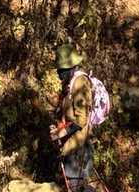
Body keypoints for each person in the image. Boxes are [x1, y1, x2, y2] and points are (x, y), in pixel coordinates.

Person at [49, 45, 95, 192]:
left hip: (78, 148)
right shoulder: (70, 83)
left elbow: (81, 120)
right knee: (76, 186)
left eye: (60, 70)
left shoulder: (80, 83)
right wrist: (59, 127)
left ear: (70, 67)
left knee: (75, 187)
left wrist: (61, 133)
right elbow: (69, 113)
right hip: (74, 145)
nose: (58, 73)